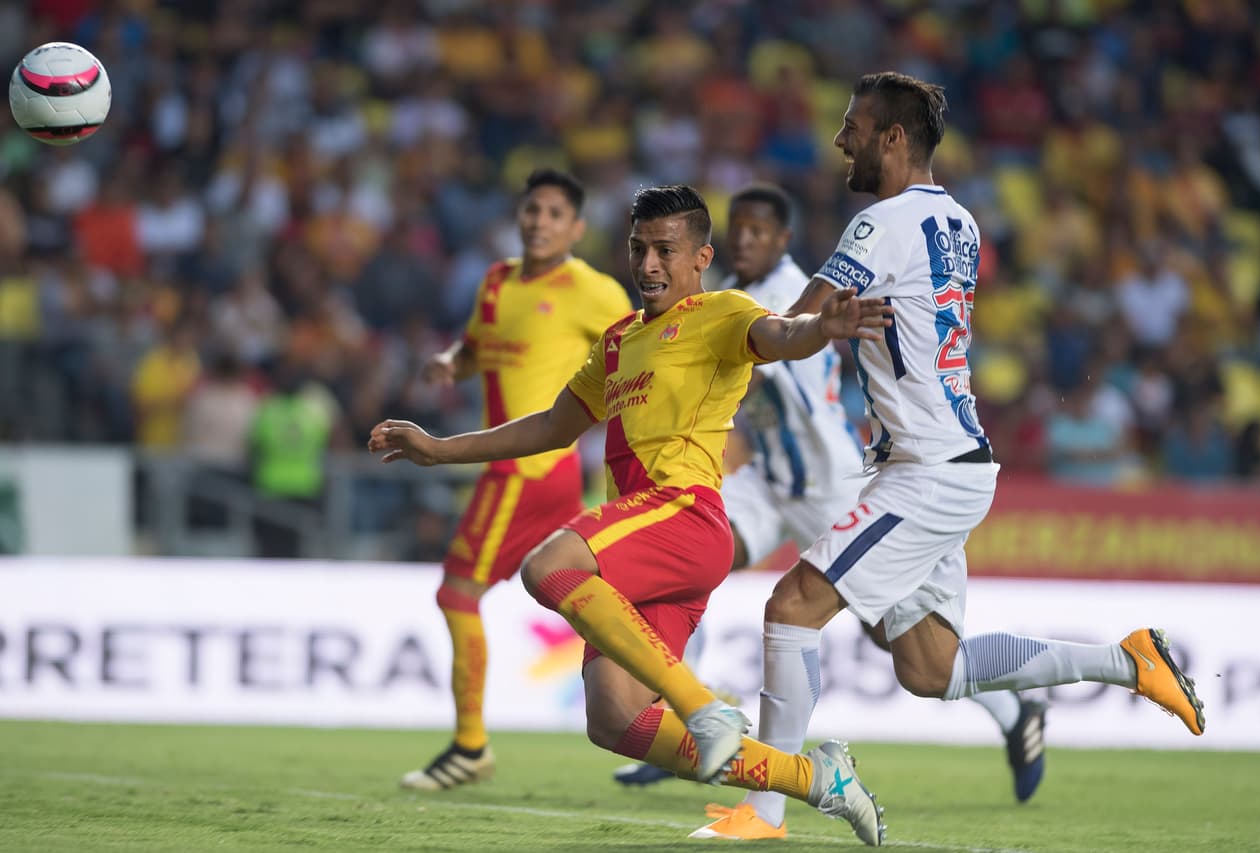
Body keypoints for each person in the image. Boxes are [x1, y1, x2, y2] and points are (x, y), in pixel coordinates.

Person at [695, 72, 1204, 846]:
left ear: (893, 138)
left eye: (854, 126)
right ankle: (1127, 660)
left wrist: (699, 336)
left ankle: (763, 812)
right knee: (931, 668)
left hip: (927, 468)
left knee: (790, 608)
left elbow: (790, 326)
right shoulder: (960, 221)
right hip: (951, 460)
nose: (842, 139)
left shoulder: (880, 223)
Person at [371, 185, 896, 845]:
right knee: (614, 718)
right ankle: (818, 778)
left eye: (665, 250)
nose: (648, 264)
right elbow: (555, 425)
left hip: (686, 513)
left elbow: (781, 333)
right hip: (647, 542)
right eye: (639, 248)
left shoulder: (723, 312)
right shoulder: (618, 340)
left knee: (549, 564)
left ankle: (702, 704)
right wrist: (440, 448)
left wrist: (823, 327)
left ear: (702, 256)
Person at [616, 184, 1048, 831]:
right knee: (685, 556)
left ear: (783, 241)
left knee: (897, 639)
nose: (747, 240)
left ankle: (1017, 713)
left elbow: (765, 353)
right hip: (768, 481)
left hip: (830, 482)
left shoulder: (789, 292)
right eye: (740, 229)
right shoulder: (724, 290)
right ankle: (692, 708)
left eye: (761, 231)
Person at [398, 169, 633, 792]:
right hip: (516, 466)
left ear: (576, 228)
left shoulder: (592, 289)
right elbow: (477, 347)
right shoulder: (497, 281)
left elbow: (640, 349)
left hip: (525, 469)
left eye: (555, 214)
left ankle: (471, 745)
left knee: (457, 594)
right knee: (577, 599)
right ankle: (690, 698)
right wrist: (452, 361)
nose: (540, 222)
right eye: (532, 210)